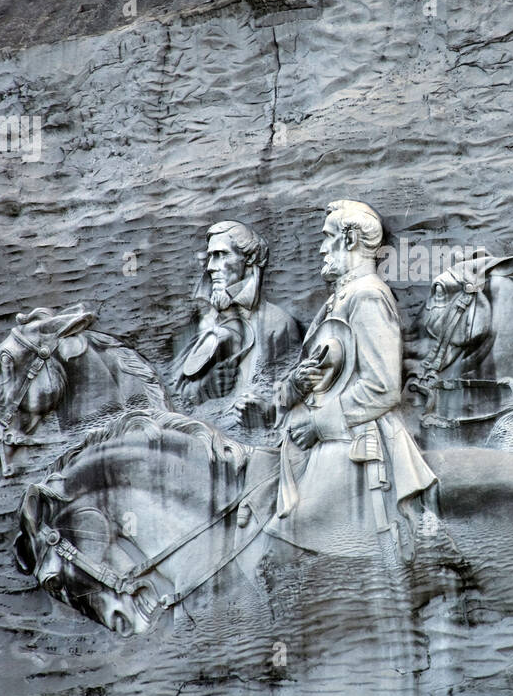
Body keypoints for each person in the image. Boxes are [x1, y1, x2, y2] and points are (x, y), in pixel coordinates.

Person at [265, 200, 438, 560]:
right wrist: (296, 384)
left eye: (328, 237)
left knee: (294, 534)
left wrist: (318, 424)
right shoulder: (337, 300)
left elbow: (383, 387)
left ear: (350, 239)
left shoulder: (368, 295)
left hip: (356, 442)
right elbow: (307, 381)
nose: (320, 247)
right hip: (324, 439)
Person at [169, 220, 299, 421]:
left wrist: (267, 409)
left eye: (221, 255)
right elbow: (174, 395)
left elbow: (294, 390)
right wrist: (205, 388)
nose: (211, 267)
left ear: (249, 258)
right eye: (211, 256)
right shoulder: (205, 321)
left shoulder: (276, 322)